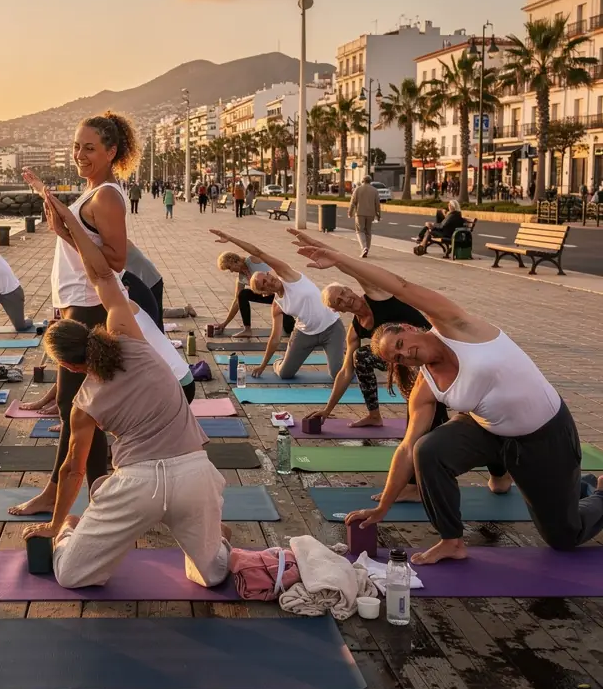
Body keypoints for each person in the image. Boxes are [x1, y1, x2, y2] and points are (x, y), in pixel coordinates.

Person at [288, 231, 603, 565]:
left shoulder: (456, 326)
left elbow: (400, 286)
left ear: (409, 329)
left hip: (545, 434)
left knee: (564, 537)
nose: (404, 355)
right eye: (396, 360)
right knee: (428, 449)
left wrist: (339, 259)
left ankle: (595, 491)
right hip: (490, 432)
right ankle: (452, 540)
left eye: (399, 345)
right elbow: (407, 447)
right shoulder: (426, 386)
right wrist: (383, 507)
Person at [21, 192, 230, 591]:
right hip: (195, 475)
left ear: (66, 365)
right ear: (88, 331)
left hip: (138, 485)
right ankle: (210, 539)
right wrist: (72, 227)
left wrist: (55, 525)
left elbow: (72, 469)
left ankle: (71, 529)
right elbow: (102, 275)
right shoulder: (128, 336)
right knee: (211, 575)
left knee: (71, 574)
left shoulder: (85, 402)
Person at [11, 111, 141, 518]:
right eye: (76, 147)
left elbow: (117, 260)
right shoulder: (93, 192)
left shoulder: (106, 195)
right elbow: (82, 245)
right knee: (77, 407)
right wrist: (59, 221)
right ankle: (93, 495)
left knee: (78, 407)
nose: (80, 154)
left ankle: (79, 496)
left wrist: (66, 229)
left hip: (90, 307)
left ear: (111, 151)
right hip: (76, 307)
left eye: (89, 148)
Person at [315, 273, 433, 428]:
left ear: (350, 289)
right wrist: (327, 410)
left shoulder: (377, 297)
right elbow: (345, 372)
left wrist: (336, 259)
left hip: (429, 347)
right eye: (339, 302)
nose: (346, 300)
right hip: (404, 359)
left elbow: (362, 274)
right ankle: (374, 416)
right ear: (339, 311)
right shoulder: (355, 331)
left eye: (344, 293)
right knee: (361, 356)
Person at [238, 243, 346, 380]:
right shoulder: (277, 305)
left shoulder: (289, 276)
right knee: (285, 374)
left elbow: (259, 253)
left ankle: (347, 358)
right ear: (264, 293)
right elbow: (275, 338)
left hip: (331, 328)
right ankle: (281, 361)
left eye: (267, 276)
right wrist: (263, 365)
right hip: (304, 334)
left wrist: (230, 238)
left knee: (337, 374)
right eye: (263, 284)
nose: (269, 281)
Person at [210, 229, 295, 340]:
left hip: (281, 294)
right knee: (243, 294)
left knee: (289, 328)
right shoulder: (241, 277)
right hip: (268, 295)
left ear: (234, 261)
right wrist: (224, 324)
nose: (231, 271)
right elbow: (237, 301)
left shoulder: (252, 260)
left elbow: (256, 251)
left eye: (230, 268)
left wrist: (230, 238)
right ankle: (247, 329)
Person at [347, 175, 381, 257]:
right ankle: (367, 249)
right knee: (368, 232)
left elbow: (353, 202)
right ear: (370, 181)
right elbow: (377, 204)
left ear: (363, 181)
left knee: (360, 231)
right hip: (370, 214)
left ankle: (364, 248)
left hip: (360, 213)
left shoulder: (357, 189)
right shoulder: (375, 190)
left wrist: (350, 212)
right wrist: (378, 214)